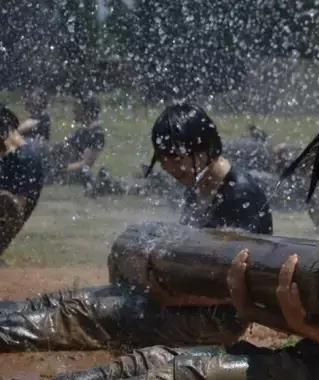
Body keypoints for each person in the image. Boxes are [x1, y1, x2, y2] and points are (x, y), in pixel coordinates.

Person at [57, 100, 319, 380]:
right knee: (148, 363)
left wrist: (298, 323)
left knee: (181, 375)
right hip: (302, 364)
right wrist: (249, 305)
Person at [0, 103, 273, 352]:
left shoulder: (241, 196)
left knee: (80, 314)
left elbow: (244, 286)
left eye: (174, 157)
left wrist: (168, 297)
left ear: (202, 149)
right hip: (178, 303)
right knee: (67, 301)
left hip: (213, 321)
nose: (168, 167)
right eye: (163, 158)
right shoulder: (198, 187)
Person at [0, 105, 46, 263]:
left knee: (6, 201)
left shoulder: (26, 159)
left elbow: (16, 209)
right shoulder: (9, 157)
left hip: (7, 219)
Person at [46, 94, 105, 185]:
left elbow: (86, 164)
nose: (74, 110)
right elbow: (61, 147)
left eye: (77, 107)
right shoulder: (83, 131)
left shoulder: (96, 134)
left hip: (71, 175)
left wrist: (59, 170)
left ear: (87, 111)